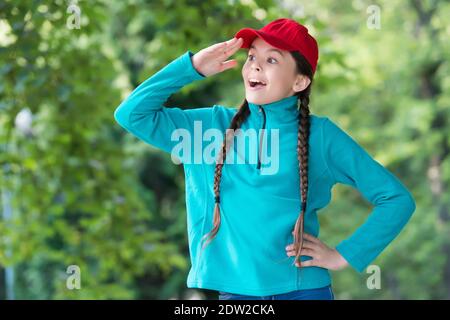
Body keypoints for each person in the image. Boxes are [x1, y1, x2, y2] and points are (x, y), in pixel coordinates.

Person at [113, 18, 416, 300]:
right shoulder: (206, 129)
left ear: (299, 82)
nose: (255, 67)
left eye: (271, 60)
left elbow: (396, 198)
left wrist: (344, 254)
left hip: (304, 290)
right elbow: (131, 114)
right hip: (235, 294)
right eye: (252, 57)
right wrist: (192, 67)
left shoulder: (321, 137)